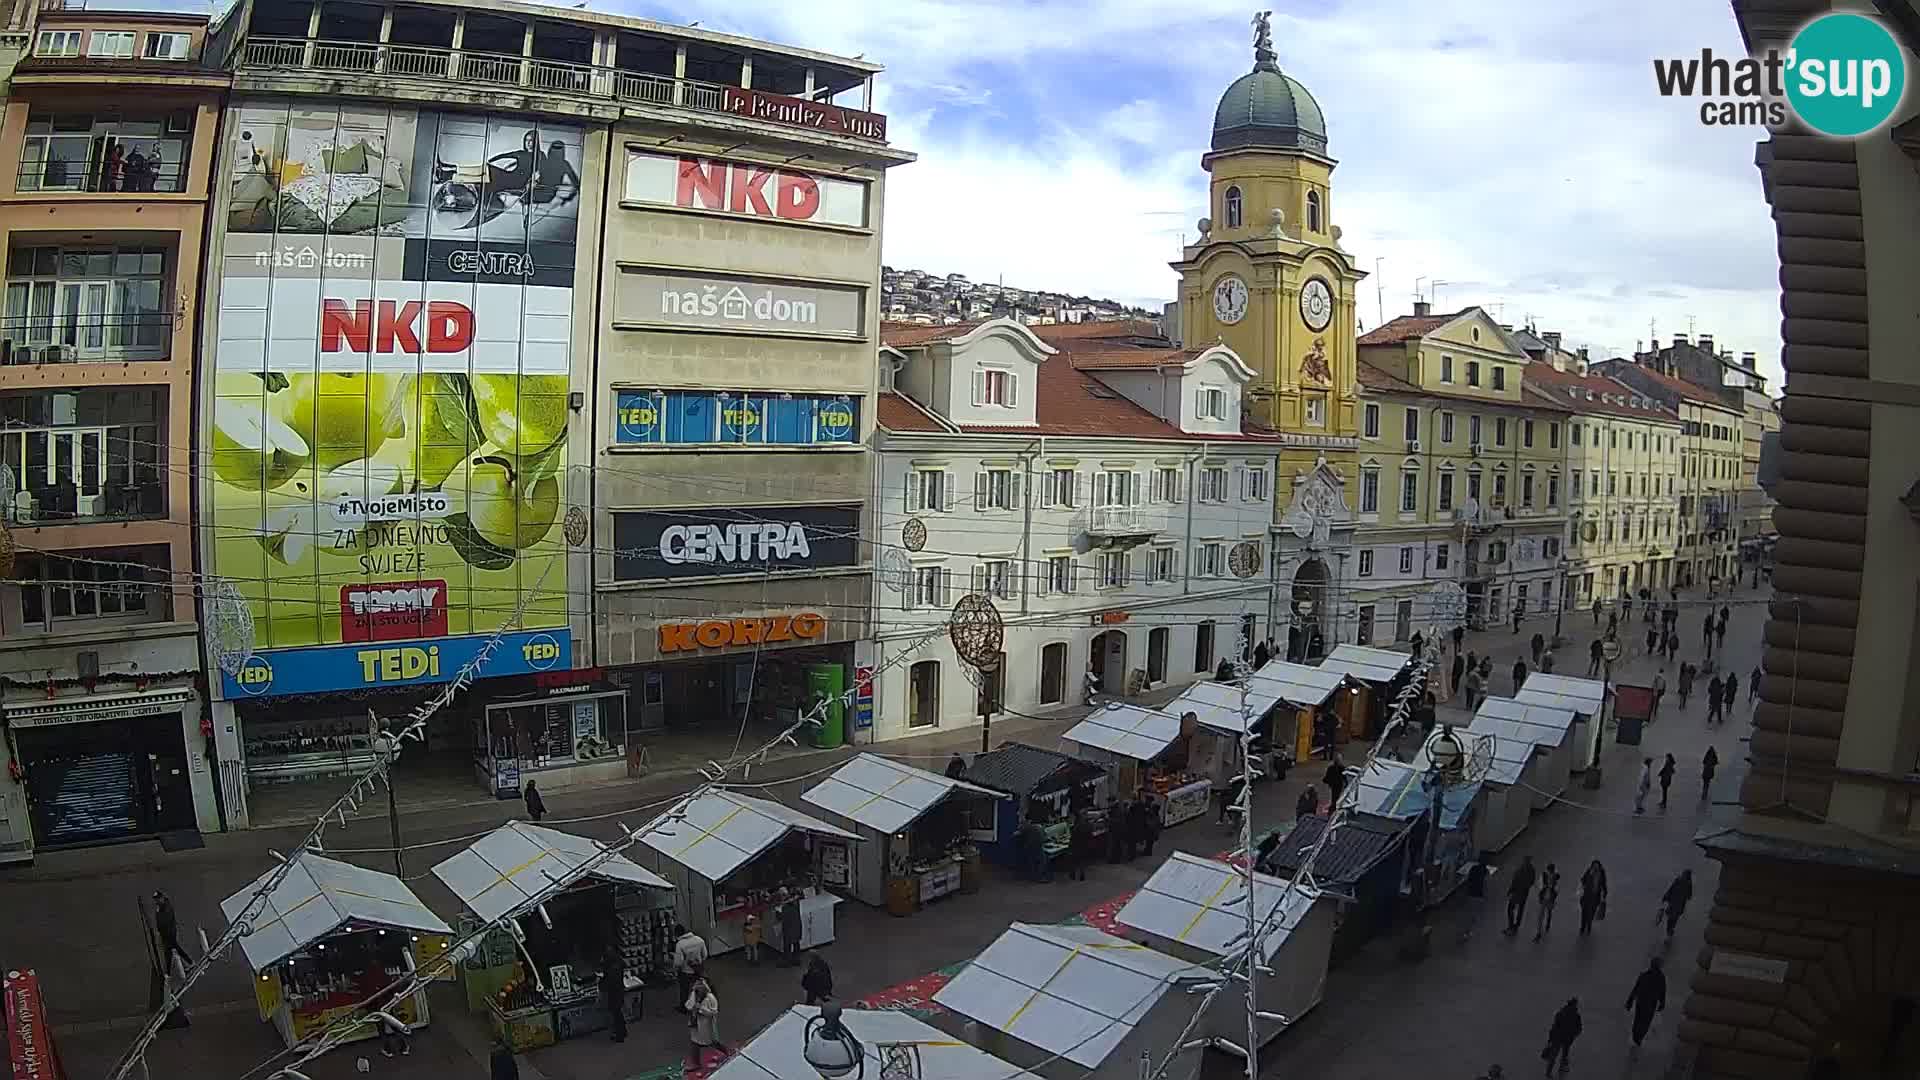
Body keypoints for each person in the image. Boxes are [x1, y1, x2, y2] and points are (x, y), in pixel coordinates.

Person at [684, 978, 728, 1069]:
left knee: (712, 1042)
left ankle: (727, 1053)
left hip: (706, 1025)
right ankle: (696, 1064)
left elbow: (714, 1011)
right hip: (695, 1022)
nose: (698, 989)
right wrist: (693, 1005)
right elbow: (688, 1005)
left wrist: (701, 1009)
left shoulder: (710, 997)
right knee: (694, 1043)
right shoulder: (694, 994)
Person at [1625, 957, 1668, 1049]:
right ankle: (1638, 1038)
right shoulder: (1661, 978)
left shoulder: (1644, 975)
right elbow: (1663, 992)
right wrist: (1662, 1003)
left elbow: (1635, 989)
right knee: (1645, 1023)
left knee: (1638, 1020)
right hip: (1650, 1004)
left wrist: (1629, 1001)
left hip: (1640, 1002)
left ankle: (1635, 1036)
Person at [152, 890, 193, 975]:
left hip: (170, 933)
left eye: (158, 899)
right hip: (165, 934)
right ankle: (170, 972)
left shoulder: (166, 907)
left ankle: (169, 973)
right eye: (155, 899)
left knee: (171, 951)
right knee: (169, 952)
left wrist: (158, 913)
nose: (157, 901)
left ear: (162, 898)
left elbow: (164, 921)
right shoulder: (160, 907)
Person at [1541, 997, 1582, 1076]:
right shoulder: (1576, 1016)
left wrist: (1550, 1039)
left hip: (1558, 1038)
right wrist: (1573, 1035)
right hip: (1567, 1040)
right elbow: (1579, 1029)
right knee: (1563, 1057)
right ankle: (1560, 1074)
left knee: (1553, 1056)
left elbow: (1554, 1027)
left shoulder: (1561, 1013)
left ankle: (1549, 1073)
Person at [672, 924, 707, 1010]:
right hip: (698, 969)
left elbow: (678, 962)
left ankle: (684, 1007)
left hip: (686, 972)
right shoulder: (699, 940)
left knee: (684, 990)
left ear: (677, 934)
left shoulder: (680, 944)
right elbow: (705, 955)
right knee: (698, 987)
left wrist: (675, 970)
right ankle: (700, 1004)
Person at [1505, 854, 1537, 936]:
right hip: (1524, 892)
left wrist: (1510, 890)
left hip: (1517, 892)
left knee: (1510, 909)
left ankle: (1511, 926)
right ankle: (1516, 925)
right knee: (1520, 909)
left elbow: (1514, 881)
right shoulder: (1532, 870)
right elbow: (1532, 881)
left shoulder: (1520, 870)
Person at [601, 947, 628, 1043]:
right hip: (620, 991)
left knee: (616, 1014)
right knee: (619, 1012)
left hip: (614, 993)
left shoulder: (611, 968)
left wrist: (602, 983)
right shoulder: (619, 963)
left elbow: (609, 981)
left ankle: (619, 1035)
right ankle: (623, 1031)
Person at [1660, 869, 1694, 938]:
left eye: (1683, 874)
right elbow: (1689, 896)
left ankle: (1669, 931)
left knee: (1671, 918)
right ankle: (1670, 931)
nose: (1682, 875)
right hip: (1678, 904)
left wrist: (1665, 897)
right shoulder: (1688, 883)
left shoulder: (1679, 881)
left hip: (1674, 903)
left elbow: (1671, 889)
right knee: (1673, 918)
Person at [1577, 860, 1608, 935]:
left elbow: (1603, 884)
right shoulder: (1589, 871)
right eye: (1594, 866)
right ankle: (1582, 927)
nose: (1595, 868)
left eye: (1596, 866)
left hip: (1595, 897)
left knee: (1591, 913)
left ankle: (1589, 926)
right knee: (1584, 912)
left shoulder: (1601, 874)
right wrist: (1583, 887)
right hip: (1586, 896)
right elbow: (1583, 880)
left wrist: (1604, 894)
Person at [1533, 863, 1560, 943]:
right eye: (1549, 871)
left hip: (1550, 899)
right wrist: (1544, 887)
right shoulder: (1544, 875)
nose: (1549, 873)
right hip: (1543, 898)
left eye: (1550, 872)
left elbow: (1557, 889)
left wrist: (1553, 888)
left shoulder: (1556, 877)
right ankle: (1538, 933)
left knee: (1549, 911)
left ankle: (1548, 921)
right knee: (1540, 916)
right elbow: (1539, 885)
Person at [780, 896, 804, 966]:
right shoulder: (796, 906)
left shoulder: (785, 909)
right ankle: (796, 960)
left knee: (787, 946)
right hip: (797, 928)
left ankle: (787, 961)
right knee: (796, 944)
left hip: (788, 930)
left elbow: (783, 918)